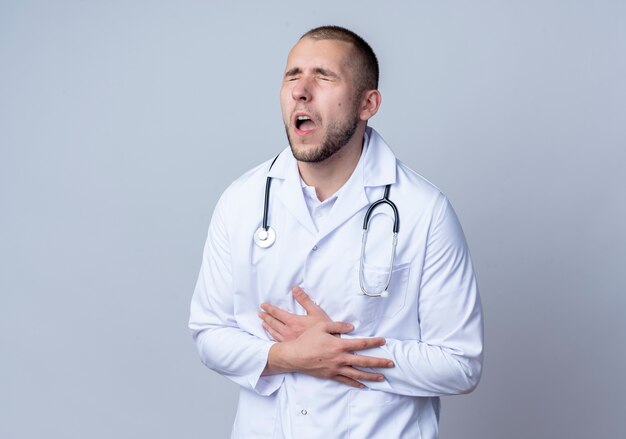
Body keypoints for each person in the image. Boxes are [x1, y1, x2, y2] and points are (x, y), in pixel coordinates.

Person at [189, 25, 483, 438]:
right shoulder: (241, 202)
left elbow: (460, 364)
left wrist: (338, 353)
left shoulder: (423, 211)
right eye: (292, 76)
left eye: (323, 76)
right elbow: (209, 334)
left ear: (368, 103)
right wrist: (290, 356)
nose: (301, 91)